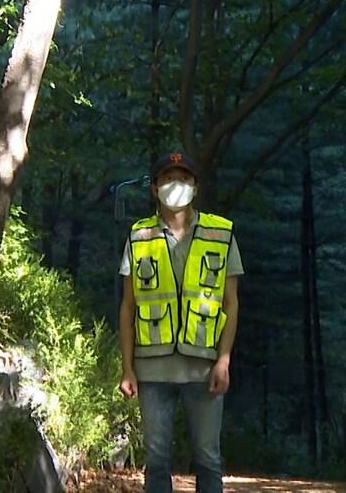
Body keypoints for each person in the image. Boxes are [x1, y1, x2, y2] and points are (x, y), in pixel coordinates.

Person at [118, 152, 243, 493]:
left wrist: (224, 360)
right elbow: (128, 307)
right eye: (169, 178)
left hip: (204, 368)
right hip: (151, 369)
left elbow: (231, 304)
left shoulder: (221, 234)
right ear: (154, 188)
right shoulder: (138, 236)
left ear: (196, 187)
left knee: (208, 458)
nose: (177, 185)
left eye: (184, 178)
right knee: (156, 460)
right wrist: (127, 369)